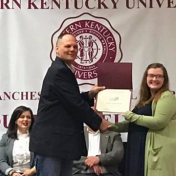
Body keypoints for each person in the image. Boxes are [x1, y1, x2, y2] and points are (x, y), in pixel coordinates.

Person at [29, 33, 110, 176]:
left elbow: (68, 100)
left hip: (60, 142)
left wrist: (89, 95)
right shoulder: (59, 70)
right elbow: (74, 103)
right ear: (57, 49)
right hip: (52, 143)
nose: (72, 49)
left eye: (75, 46)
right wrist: (98, 122)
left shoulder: (64, 69)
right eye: (68, 46)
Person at [109, 63, 176, 176]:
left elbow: (159, 122)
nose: (155, 79)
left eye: (159, 76)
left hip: (157, 151)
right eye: (151, 75)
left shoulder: (167, 96)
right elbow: (134, 123)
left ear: (165, 79)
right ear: (146, 78)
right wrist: (110, 126)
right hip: (139, 147)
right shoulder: (145, 99)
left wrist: (130, 115)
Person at [0, 106, 36, 176]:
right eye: (22, 117)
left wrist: (32, 171)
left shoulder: (37, 138)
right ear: (15, 120)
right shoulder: (6, 138)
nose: (25, 119)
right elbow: (1, 161)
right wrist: (12, 173)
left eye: (28, 117)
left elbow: (43, 160)